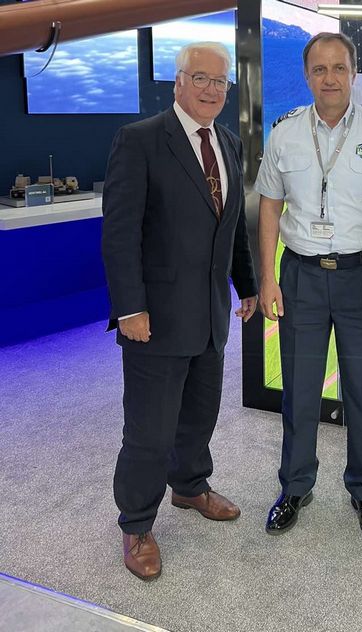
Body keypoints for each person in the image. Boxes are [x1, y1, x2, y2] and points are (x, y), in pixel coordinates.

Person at [101, 42, 258, 581]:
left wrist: (246, 285)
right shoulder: (140, 140)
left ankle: (190, 486)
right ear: (179, 82)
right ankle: (136, 524)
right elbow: (120, 234)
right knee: (149, 429)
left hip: (210, 313)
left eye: (220, 82)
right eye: (201, 78)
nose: (212, 90)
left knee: (199, 413)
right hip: (156, 319)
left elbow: (232, 227)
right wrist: (130, 309)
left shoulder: (228, 143)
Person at [255, 32, 362, 541]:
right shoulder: (285, 132)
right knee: (299, 390)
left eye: (339, 68)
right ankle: (295, 486)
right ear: (307, 76)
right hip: (300, 276)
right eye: (320, 69)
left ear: (354, 73)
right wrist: (267, 277)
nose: (330, 78)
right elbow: (269, 207)